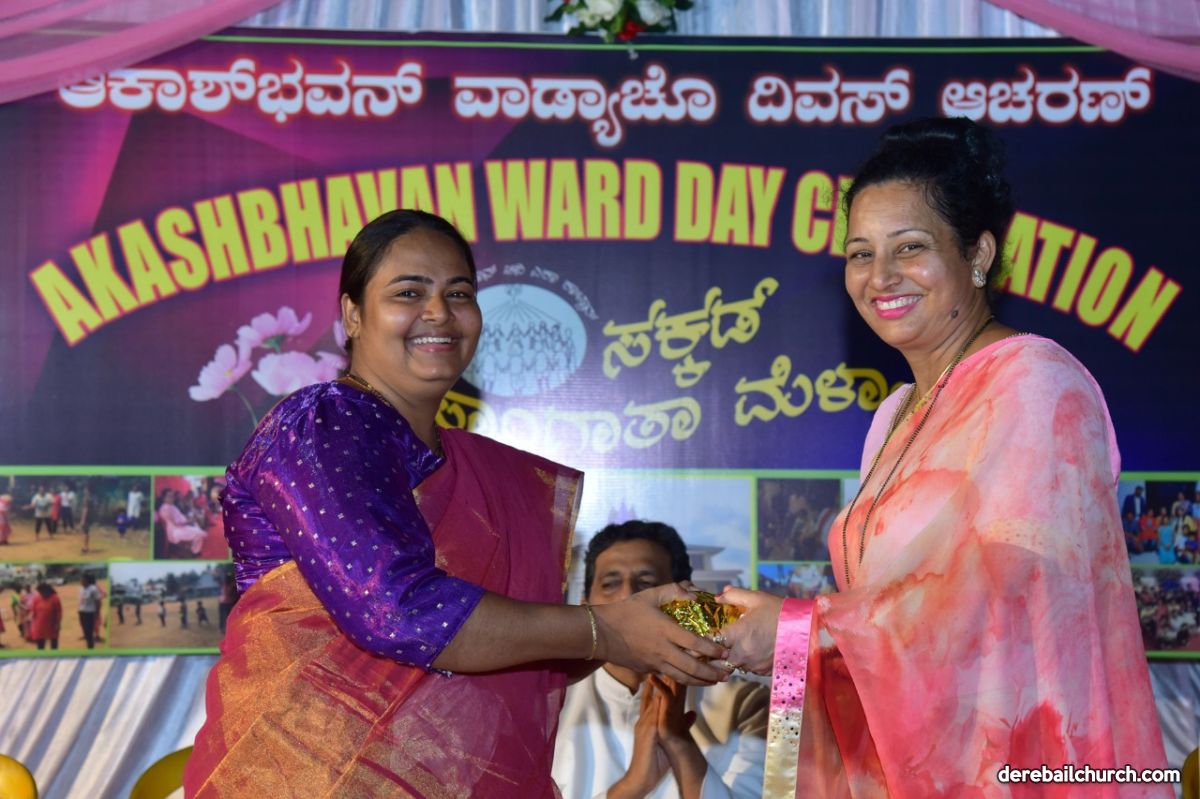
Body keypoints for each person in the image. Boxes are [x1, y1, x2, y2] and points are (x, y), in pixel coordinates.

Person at [184, 210, 727, 797]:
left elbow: (518, 649)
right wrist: (608, 631)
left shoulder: (476, 471)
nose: (439, 312)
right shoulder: (322, 424)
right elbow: (399, 611)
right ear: (353, 314)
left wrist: (651, 625)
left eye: (459, 293)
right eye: (409, 292)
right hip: (304, 772)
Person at [716, 117, 1168, 797]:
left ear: (978, 253)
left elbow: (993, 604)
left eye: (910, 247)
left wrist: (796, 632)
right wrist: (779, 636)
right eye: (860, 253)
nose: (880, 276)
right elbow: (886, 617)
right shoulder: (893, 416)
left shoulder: (1035, 383)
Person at [553, 521, 768, 799]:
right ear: (584, 605)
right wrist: (632, 786)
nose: (627, 598)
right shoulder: (549, 705)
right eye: (610, 584)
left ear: (685, 601)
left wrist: (680, 745)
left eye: (646, 584)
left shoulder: (743, 703)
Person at [156, 488, 207, 556]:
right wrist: (188, 522)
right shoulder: (164, 509)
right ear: (164, 498)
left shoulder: (172, 506)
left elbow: (181, 517)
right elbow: (176, 524)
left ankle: (193, 549)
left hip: (180, 527)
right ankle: (194, 551)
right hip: (175, 531)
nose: (172, 498)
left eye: (172, 496)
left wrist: (188, 521)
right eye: (169, 496)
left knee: (196, 526)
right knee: (198, 532)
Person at [30, 582, 62, 650]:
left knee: (54, 643)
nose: (41, 593)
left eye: (42, 591)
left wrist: (58, 624)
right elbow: (33, 612)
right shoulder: (36, 599)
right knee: (40, 644)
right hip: (40, 625)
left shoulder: (55, 598)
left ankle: (54, 655)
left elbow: (59, 612)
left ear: (47, 590)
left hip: (52, 625)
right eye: (39, 592)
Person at [78, 573, 102, 649]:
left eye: (82, 579)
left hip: (90, 613)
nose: (80, 581)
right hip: (82, 612)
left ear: (86, 580)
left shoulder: (93, 589)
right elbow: (81, 601)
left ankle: (90, 647)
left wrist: (97, 613)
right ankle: (89, 645)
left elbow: (98, 602)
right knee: (85, 631)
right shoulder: (81, 589)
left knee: (89, 632)